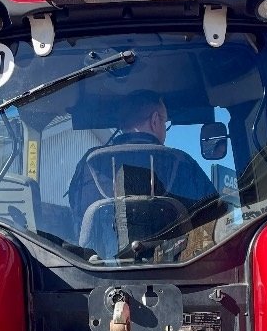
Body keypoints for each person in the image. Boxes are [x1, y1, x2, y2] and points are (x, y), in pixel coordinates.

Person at [67, 91, 216, 230]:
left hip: (97, 258)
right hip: (179, 258)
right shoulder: (181, 163)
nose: (164, 129)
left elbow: (78, 215)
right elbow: (213, 212)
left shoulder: (90, 164)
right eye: (164, 122)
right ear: (155, 119)